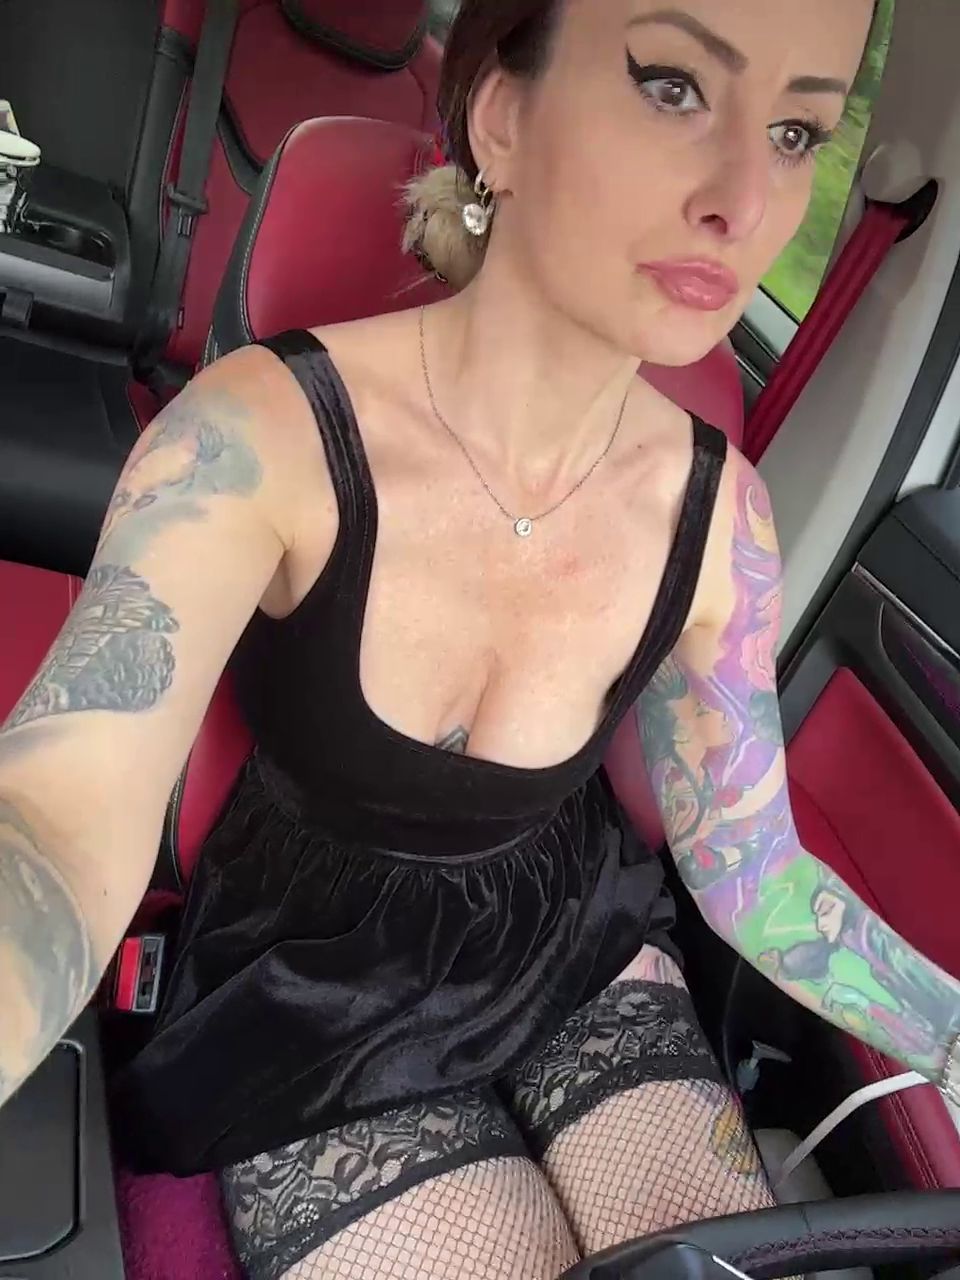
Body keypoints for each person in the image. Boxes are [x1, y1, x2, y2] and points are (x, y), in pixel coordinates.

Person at [1, 1, 957, 1278]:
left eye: (796, 133)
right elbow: (60, 820)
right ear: (500, 117)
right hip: (313, 990)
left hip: (578, 942)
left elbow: (754, 872)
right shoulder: (256, 438)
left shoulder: (723, 514)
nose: (744, 200)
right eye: (674, 86)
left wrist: (952, 1033)